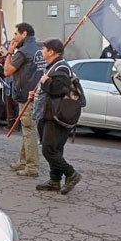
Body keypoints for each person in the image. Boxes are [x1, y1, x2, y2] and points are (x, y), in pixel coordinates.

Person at [36, 38, 82, 194]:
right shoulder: (54, 66)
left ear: (51, 52)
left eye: (44, 49)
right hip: (52, 113)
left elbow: (60, 89)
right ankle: (54, 180)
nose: (42, 51)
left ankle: (71, 174)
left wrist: (45, 83)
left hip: (57, 115)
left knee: (48, 150)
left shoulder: (61, 67)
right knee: (55, 149)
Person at [4, 22, 43, 178]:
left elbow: (7, 71)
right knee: (28, 129)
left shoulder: (23, 52)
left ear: (24, 34)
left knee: (28, 131)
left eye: (16, 34)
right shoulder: (39, 49)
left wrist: (9, 52)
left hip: (26, 95)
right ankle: (22, 161)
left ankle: (31, 166)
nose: (14, 37)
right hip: (37, 94)